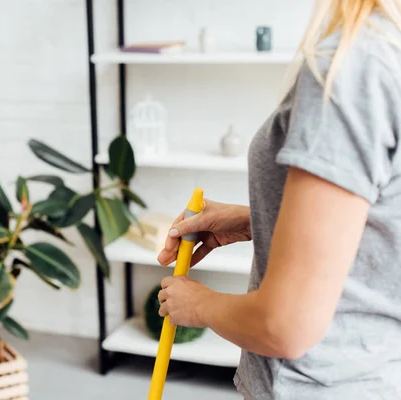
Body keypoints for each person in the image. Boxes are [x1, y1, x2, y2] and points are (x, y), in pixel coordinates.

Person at [156, 2, 401, 399]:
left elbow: (284, 325)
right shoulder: (387, 48)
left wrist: (197, 304)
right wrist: (259, 219)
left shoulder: (350, 66)